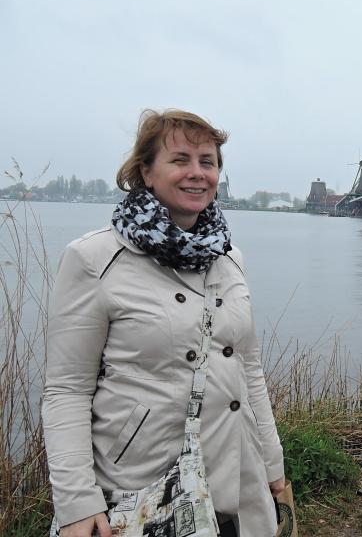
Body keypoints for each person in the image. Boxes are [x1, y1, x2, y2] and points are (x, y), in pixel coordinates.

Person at [42, 110, 285, 537]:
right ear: (146, 173)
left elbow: (248, 370)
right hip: (146, 488)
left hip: (237, 479)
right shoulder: (95, 259)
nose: (197, 173)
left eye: (207, 162)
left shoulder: (229, 259)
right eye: (180, 160)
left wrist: (273, 467)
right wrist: (77, 503)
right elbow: (67, 389)